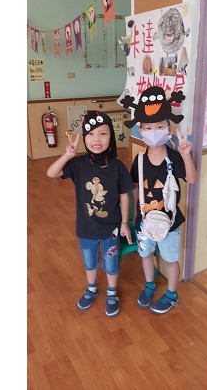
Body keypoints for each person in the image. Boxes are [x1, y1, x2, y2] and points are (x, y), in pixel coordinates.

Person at [46, 111, 133, 317]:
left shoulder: (118, 167)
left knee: (111, 263)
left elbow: (124, 196)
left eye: (103, 133)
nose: (96, 139)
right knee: (90, 262)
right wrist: (68, 155)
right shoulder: (78, 164)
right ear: (84, 138)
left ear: (111, 137)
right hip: (86, 228)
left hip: (111, 229)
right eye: (91, 134)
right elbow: (51, 173)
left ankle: (112, 293)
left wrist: (124, 223)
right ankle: (91, 288)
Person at [130, 119, 197, 314]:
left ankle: (171, 294)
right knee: (146, 254)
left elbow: (192, 179)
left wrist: (185, 155)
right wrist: (135, 215)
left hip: (170, 223)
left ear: (169, 129)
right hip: (145, 220)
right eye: (148, 128)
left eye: (159, 127)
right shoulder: (139, 160)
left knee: (170, 259)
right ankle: (149, 284)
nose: (154, 131)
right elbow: (135, 188)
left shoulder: (174, 157)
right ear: (141, 130)